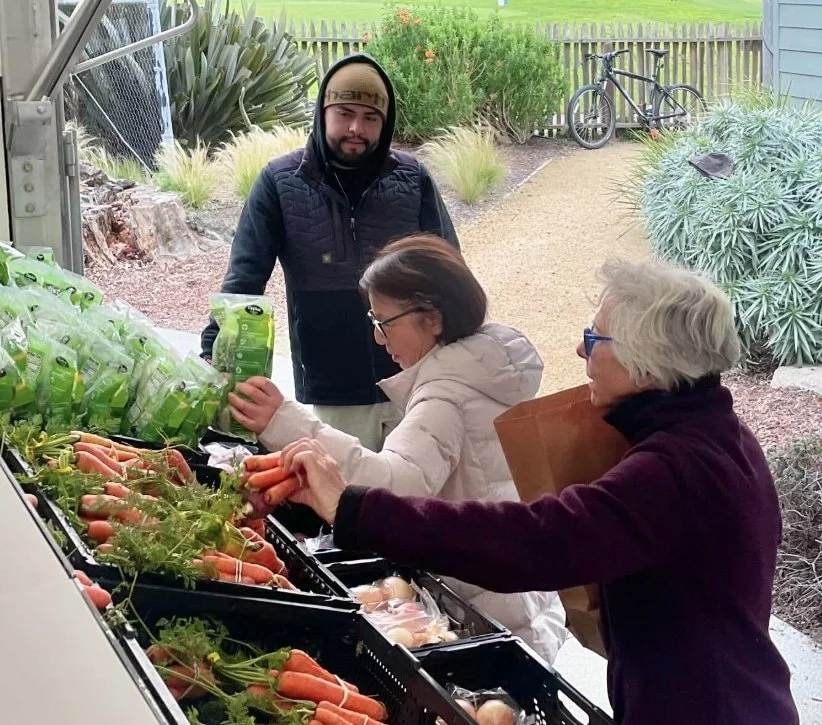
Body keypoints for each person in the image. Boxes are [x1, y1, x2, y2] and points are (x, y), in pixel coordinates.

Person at [277, 259, 800, 725]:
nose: (579, 349)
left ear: (650, 363)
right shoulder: (717, 432)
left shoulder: (672, 471)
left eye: (594, 340)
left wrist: (353, 507)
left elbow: (534, 541)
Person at [229, 235, 568, 663]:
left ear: (432, 318)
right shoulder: (489, 365)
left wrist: (288, 423)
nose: (375, 336)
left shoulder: (446, 397)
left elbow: (392, 486)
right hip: (521, 588)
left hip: (482, 602)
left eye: (383, 320)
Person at [201, 54, 458, 452]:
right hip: (334, 391)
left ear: (384, 125)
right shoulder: (279, 183)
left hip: (416, 381)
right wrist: (211, 353)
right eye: (344, 113)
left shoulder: (414, 180)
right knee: (344, 504)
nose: (356, 128)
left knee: (418, 505)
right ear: (322, 113)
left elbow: (449, 271)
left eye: (371, 118)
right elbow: (244, 279)